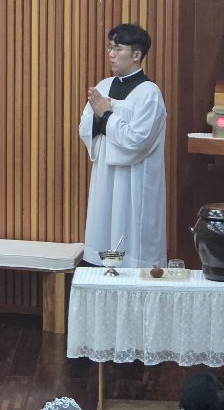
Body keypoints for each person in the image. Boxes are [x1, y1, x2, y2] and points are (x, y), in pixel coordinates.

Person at [78, 23, 167, 268]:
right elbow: (85, 126)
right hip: (105, 176)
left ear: (137, 54)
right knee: (102, 231)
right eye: (110, 48)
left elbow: (137, 141)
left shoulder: (149, 93)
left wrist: (106, 115)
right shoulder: (103, 86)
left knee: (131, 236)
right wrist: (99, 118)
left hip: (134, 181)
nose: (111, 54)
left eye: (117, 49)